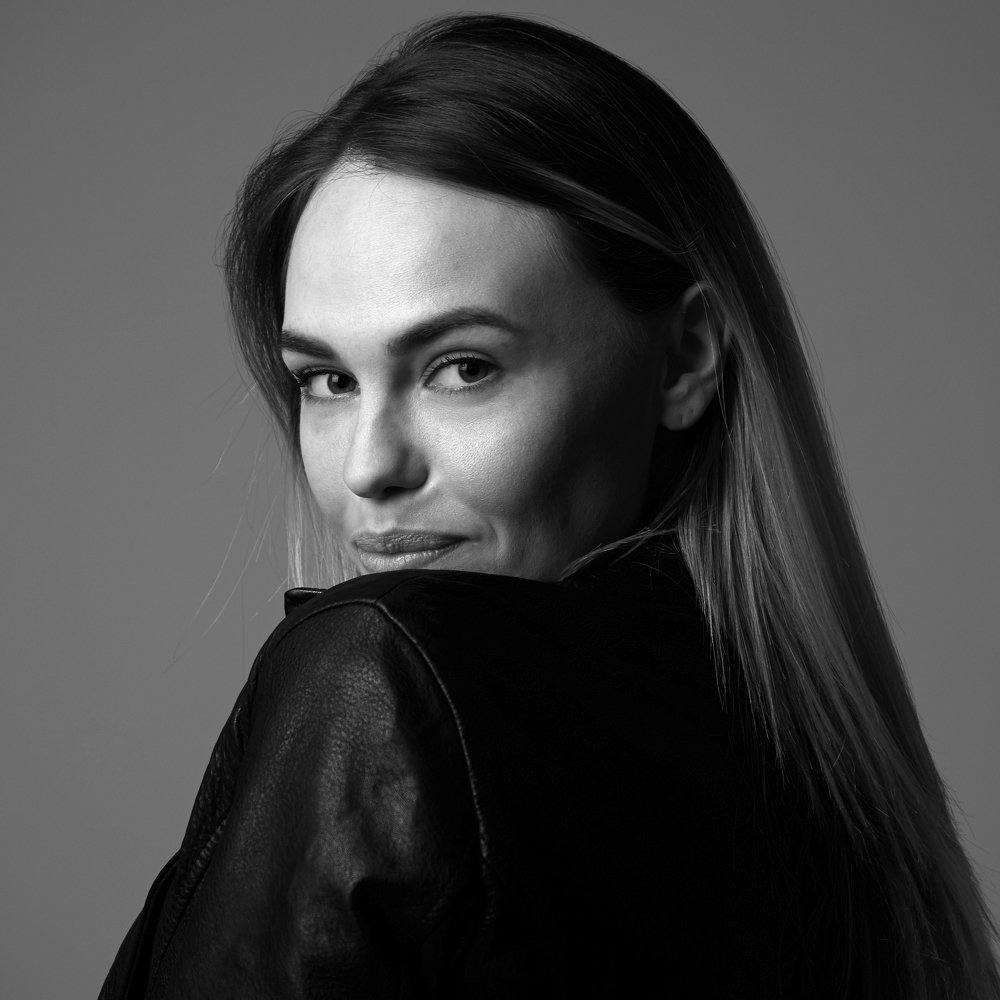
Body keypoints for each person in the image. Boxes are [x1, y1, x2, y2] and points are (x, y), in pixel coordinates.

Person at [99, 13, 999, 999]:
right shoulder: (829, 801)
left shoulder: (381, 678)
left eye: (463, 367)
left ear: (685, 358)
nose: (368, 467)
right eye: (329, 380)